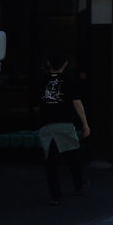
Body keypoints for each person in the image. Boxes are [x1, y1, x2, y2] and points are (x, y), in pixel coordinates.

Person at [37, 51, 91, 205]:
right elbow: (77, 102)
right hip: (65, 124)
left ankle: (55, 196)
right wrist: (85, 123)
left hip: (46, 125)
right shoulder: (69, 80)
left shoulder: (41, 81)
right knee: (73, 156)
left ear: (48, 63)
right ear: (65, 64)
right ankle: (79, 185)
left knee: (51, 162)